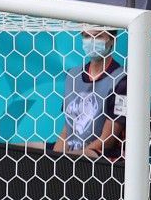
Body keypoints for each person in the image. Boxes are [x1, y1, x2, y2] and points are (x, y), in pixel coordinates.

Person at [53, 28, 126, 159]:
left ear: (112, 40)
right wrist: (54, 159)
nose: (92, 41)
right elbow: (66, 130)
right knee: (25, 151)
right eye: (87, 36)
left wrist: (69, 160)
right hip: (71, 149)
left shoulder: (122, 80)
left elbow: (108, 140)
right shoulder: (72, 75)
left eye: (98, 36)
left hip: (99, 154)